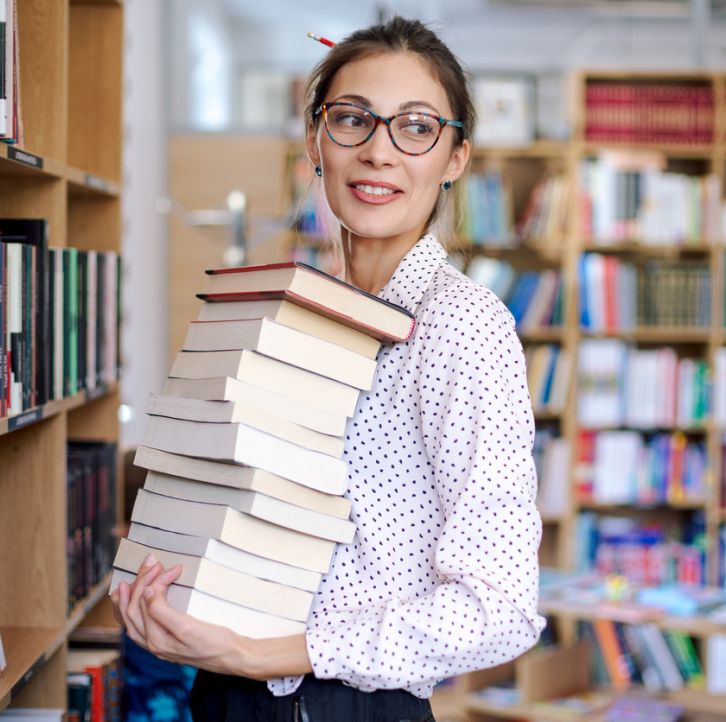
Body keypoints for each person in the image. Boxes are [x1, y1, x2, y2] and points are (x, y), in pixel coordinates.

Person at [111, 16, 545, 722]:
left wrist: (272, 654)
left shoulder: (461, 325)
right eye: (352, 120)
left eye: (414, 127)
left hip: (337, 702)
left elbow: (497, 608)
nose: (378, 152)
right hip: (229, 692)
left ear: (456, 156)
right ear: (315, 140)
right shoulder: (305, 312)